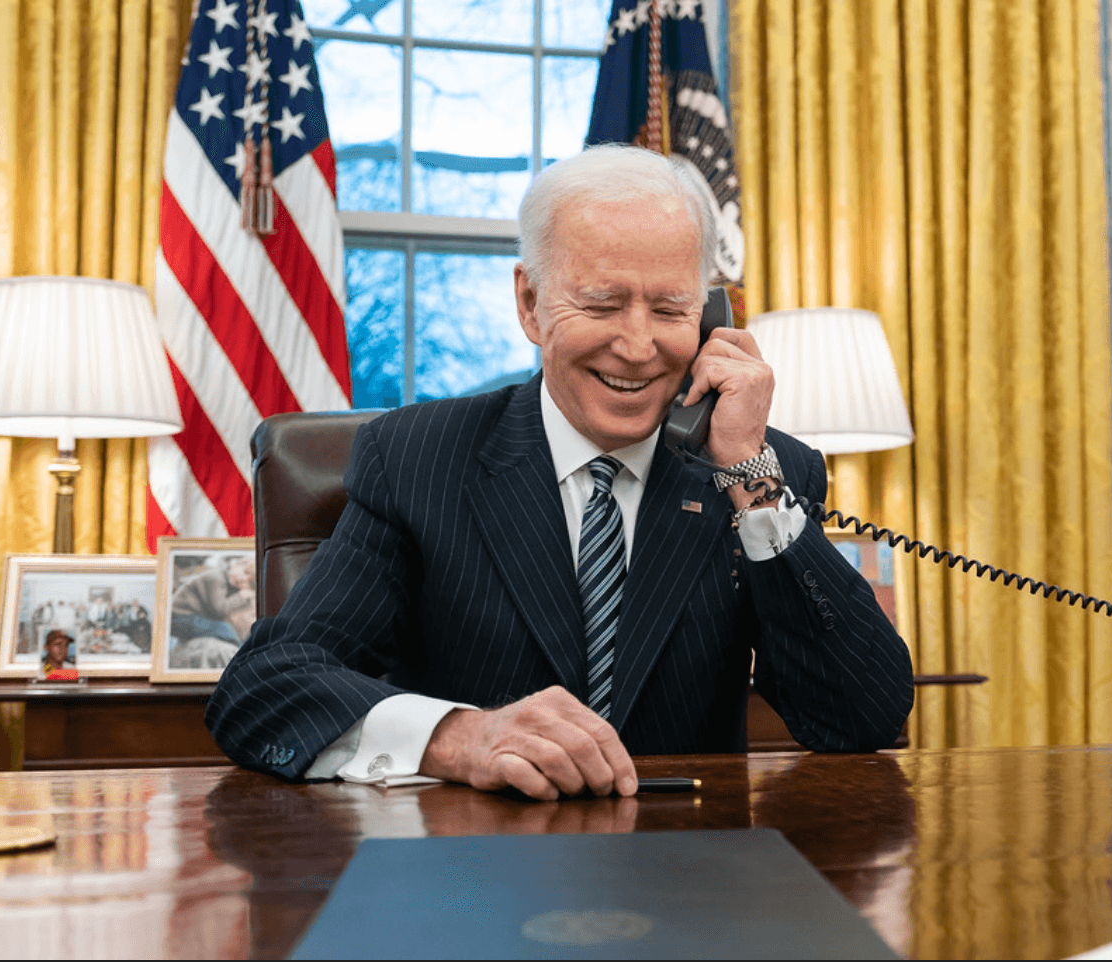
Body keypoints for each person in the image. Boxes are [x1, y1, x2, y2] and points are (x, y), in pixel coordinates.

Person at [206, 144, 914, 800]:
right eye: (602, 304)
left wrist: (752, 486)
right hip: (474, 879)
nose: (638, 347)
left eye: (671, 309)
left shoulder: (760, 468)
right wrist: (460, 737)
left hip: (693, 876)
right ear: (530, 304)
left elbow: (862, 718)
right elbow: (265, 687)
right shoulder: (417, 458)